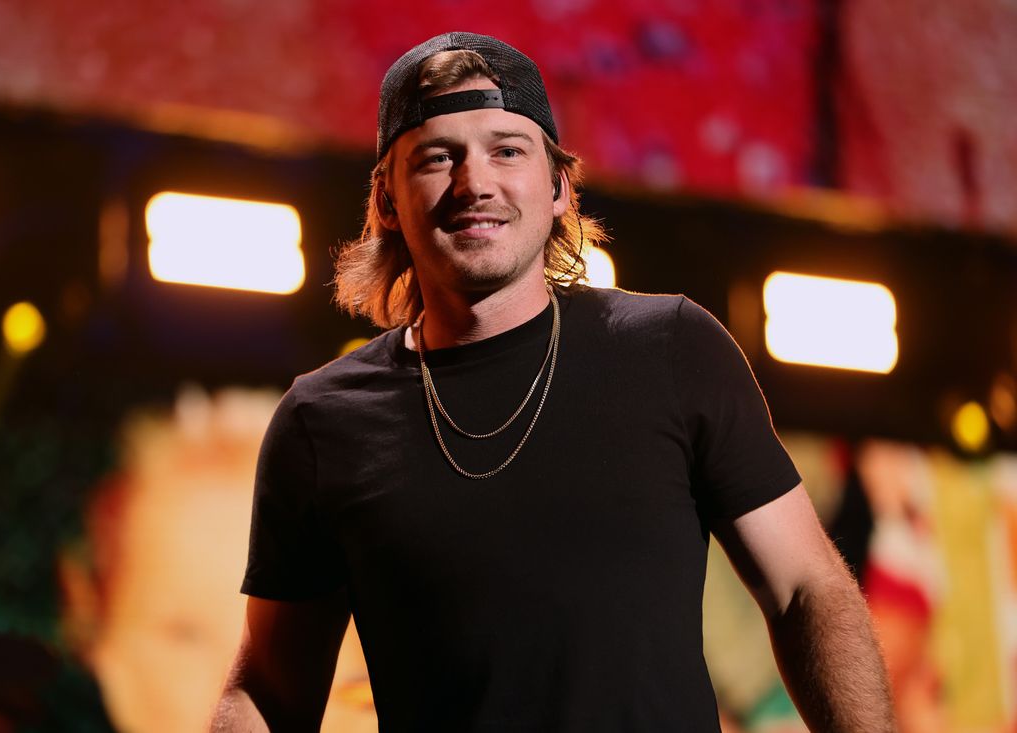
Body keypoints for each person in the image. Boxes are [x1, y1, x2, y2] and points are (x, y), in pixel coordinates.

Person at [211, 31, 895, 732]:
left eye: (507, 150)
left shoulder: (671, 349)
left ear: (560, 185)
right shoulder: (323, 420)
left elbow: (806, 589)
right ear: (386, 199)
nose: (475, 182)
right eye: (438, 157)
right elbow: (268, 687)